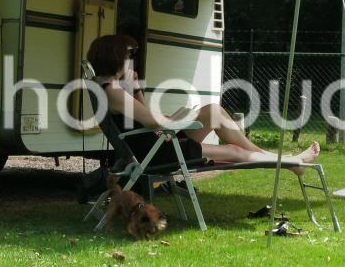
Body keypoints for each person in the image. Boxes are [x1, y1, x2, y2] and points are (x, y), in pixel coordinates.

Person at [86, 34, 319, 174]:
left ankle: (285, 160)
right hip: (157, 153)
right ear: (115, 58)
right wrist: (179, 119)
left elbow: (143, 116)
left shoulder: (107, 87)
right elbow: (150, 120)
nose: (130, 61)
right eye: (128, 56)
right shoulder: (113, 91)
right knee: (234, 152)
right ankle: (291, 163)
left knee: (212, 111)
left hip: (154, 144)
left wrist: (136, 89)